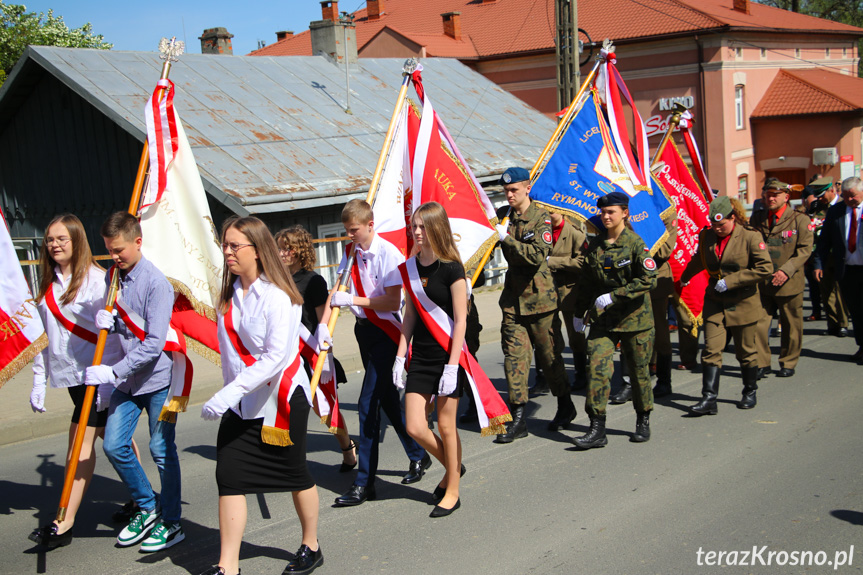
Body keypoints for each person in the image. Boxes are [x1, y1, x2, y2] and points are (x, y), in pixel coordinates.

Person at [198, 216, 322, 575]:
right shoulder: (229, 293)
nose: (227, 251)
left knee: (295, 474)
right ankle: (228, 566)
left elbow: (275, 358)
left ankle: (311, 544)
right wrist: (230, 394)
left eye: (235, 245)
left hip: (280, 400)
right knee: (230, 476)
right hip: (240, 403)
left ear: (257, 249)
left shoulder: (279, 295)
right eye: (225, 245)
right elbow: (230, 353)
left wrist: (227, 393)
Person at [85, 211, 184, 551]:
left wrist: (113, 372)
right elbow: (127, 328)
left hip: (156, 380)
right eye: (109, 251)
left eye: (119, 250)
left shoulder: (156, 283)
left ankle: (172, 522)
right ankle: (147, 505)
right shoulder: (114, 275)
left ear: (138, 242)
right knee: (113, 445)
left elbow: (154, 343)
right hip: (127, 384)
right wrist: (110, 323)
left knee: (161, 451)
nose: (114, 257)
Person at [27, 214, 126, 549]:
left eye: (62, 239)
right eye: (50, 239)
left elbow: (119, 328)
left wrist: (112, 374)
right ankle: (141, 497)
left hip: (98, 376)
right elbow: (43, 336)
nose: (54, 244)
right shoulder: (48, 282)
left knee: (79, 449)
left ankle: (63, 522)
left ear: (76, 241)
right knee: (116, 440)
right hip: (69, 374)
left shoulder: (97, 281)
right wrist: (38, 379)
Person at [328, 199, 429, 507]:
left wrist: (353, 300)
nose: (350, 235)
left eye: (354, 230)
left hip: (387, 333)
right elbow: (337, 289)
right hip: (364, 331)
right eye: (346, 230)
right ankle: (418, 454)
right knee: (386, 400)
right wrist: (323, 327)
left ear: (370, 225)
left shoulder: (389, 254)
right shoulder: (350, 252)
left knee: (367, 403)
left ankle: (364, 483)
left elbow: (390, 302)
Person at [394, 202, 469, 517]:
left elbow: (461, 321)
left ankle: (452, 489)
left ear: (437, 228)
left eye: (423, 227)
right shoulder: (411, 268)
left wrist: (452, 366)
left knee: (447, 427)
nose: (417, 232)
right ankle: (454, 467)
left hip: (447, 355)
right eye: (414, 227)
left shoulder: (452, 268)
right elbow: (409, 314)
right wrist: (400, 356)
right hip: (421, 356)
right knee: (414, 426)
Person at [570, 191, 657, 449]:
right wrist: (578, 312)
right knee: (597, 369)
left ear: (625, 213)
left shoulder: (635, 244)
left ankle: (643, 420)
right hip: (603, 321)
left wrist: (615, 296)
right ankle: (597, 428)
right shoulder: (595, 245)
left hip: (635, 320)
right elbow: (586, 282)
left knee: (639, 373)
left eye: (611, 212)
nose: (606, 216)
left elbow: (648, 279)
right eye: (603, 212)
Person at [493, 167, 571, 443]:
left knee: (550, 360)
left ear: (527, 187)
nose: (509, 194)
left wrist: (507, 239)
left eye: (513, 189)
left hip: (541, 302)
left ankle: (565, 404)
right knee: (514, 360)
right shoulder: (503, 215)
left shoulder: (541, 218)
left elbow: (536, 255)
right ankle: (518, 419)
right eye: (506, 191)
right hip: (513, 301)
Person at [679, 197, 772, 414]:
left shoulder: (750, 236)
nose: (718, 229)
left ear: (734, 218)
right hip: (715, 301)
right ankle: (709, 399)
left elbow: (764, 268)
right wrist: (684, 277)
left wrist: (731, 281)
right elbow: (700, 259)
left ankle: (749, 391)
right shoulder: (707, 235)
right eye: (714, 224)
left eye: (722, 224)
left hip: (743, 302)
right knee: (711, 350)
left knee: (746, 351)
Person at [275, 225, 356, 472]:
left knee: (325, 409)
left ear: (299, 251)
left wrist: (327, 359)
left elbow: (324, 322)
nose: (281, 253)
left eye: (287, 249)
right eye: (279, 248)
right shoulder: (276, 280)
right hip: (286, 355)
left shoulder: (313, 281)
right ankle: (289, 460)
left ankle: (347, 448)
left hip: (310, 354)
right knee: (287, 407)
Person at [749, 180, 814, 379]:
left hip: (788, 282)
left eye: (776, 195)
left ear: (786, 197)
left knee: (791, 325)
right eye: (768, 194)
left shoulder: (800, 220)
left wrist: (786, 271)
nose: (771, 198)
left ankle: (788, 361)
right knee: (759, 324)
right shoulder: (757, 218)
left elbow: (804, 250)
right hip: (762, 281)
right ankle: (762, 362)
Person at [814, 177, 863, 365]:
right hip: (848, 270)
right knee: (856, 311)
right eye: (846, 196)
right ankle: (861, 346)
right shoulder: (836, 211)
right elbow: (824, 241)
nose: (850, 199)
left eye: (853, 196)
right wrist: (818, 264)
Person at [546, 211, 588, 395]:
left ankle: (581, 374)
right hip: (547, 291)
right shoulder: (542, 230)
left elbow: (582, 262)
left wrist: (552, 261)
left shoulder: (574, 233)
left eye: (551, 210)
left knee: (575, 335)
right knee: (546, 335)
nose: (548, 214)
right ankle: (546, 376)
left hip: (570, 291)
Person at [806, 179, 850, 336]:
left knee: (839, 292)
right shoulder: (817, 207)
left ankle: (843, 324)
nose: (820, 199)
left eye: (822, 194)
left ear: (832, 190)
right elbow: (811, 227)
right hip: (822, 254)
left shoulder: (844, 206)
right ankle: (832, 324)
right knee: (826, 291)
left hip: (839, 254)